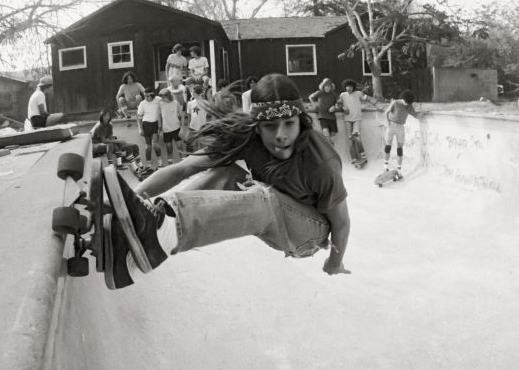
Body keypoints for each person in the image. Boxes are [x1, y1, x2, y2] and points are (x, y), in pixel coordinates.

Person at [98, 73, 351, 290]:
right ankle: (153, 221)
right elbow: (182, 168)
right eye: (271, 127)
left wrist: (334, 263)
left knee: (263, 196)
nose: (281, 136)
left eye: (289, 124)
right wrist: (127, 202)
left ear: (300, 122)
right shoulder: (245, 137)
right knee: (227, 173)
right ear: (257, 127)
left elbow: (341, 221)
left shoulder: (321, 161)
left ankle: (165, 231)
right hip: (273, 209)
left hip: (309, 233)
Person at [90, 110, 147, 177]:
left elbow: (111, 138)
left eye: (108, 115)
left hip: (104, 142)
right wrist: (119, 141)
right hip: (95, 145)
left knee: (134, 146)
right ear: (101, 117)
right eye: (105, 116)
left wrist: (119, 141)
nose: (107, 117)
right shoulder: (100, 126)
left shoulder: (109, 125)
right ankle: (115, 165)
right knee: (112, 145)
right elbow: (104, 141)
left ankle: (141, 167)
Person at [383, 89, 421, 174]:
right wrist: (388, 124)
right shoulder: (395, 102)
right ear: (403, 98)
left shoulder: (409, 105)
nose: (406, 104)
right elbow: (386, 112)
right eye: (406, 102)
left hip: (400, 127)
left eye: (408, 103)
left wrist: (424, 114)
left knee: (400, 147)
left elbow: (416, 115)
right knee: (388, 145)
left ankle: (399, 169)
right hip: (391, 125)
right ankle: (385, 167)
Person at [136, 86, 163, 172]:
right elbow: (139, 117)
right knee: (148, 147)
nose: (146, 98)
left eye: (147, 96)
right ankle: (148, 165)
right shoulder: (142, 103)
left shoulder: (159, 100)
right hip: (146, 124)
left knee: (155, 144)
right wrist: (140, 129)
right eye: (145, 96)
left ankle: (160, 162)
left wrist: (161, 126)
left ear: (152, 95)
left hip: (155, 124)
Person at [158, 88, 184, 164]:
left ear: (168, 96)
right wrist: (160, 130)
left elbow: (182, 115)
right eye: (161, 97)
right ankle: (170, 166)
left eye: (163, 97)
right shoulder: (161, 104)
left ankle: (184, 163)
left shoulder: (176, 103)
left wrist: (182, 128)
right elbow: (159, 117)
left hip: (176, 129)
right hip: (166, 130)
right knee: (169, 149)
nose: (162, 99)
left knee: (180, 147)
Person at [185, 84, 208, 153]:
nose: (192, 93)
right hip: (192, 127)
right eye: (192, 91)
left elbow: (209, 115)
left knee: (203, 146)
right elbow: (189, 116)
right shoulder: (190, 103)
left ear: (197, 93)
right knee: (189, 145)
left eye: (193, 92)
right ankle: (190, 160)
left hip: (203, 127)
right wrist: (188, 127)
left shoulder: (206, 103)